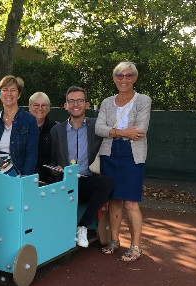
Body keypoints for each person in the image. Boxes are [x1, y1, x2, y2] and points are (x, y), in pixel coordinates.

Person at [95, 61, 151, 261]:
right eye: (120, 75)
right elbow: (98, 128)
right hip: (108, 153)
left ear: (134, 78)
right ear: (114, 79)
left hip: (132, 155)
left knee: (131, 202)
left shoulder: (143, 100)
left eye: (128, 76)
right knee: (114, 200)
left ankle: (136, 246)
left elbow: (141, 130)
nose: (124, 79)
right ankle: (115, 241)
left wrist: (114, 132)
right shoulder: (107, 102)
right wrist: (123, 132)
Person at [49, 86, 113, 248]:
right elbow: (51, 161)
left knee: (106, 182)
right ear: (66, 105)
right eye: (71, 101)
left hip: (86, 182)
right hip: (65, 183)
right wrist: (55, 169)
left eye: (80, 101)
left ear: (87, 104)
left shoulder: (96, 127)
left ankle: (82, 226)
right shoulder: (56, 130)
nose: (75, 104)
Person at [0, 75, 39, 176]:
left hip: (17, 171)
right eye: (5, 90)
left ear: (19, 95)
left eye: (13, 90)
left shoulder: (29, 120)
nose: (9, 93)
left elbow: (32, 154)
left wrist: (24, 178)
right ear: (0, 94)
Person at [29, 92, 58, 183]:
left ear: (49, 108)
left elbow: (59, 155)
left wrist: (56, 167)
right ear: (30, 107)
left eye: (44, 105)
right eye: (36, 105)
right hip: (25, 178)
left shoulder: (56, 129)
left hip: (48, 181)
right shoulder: (20, 127)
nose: (40, 108)